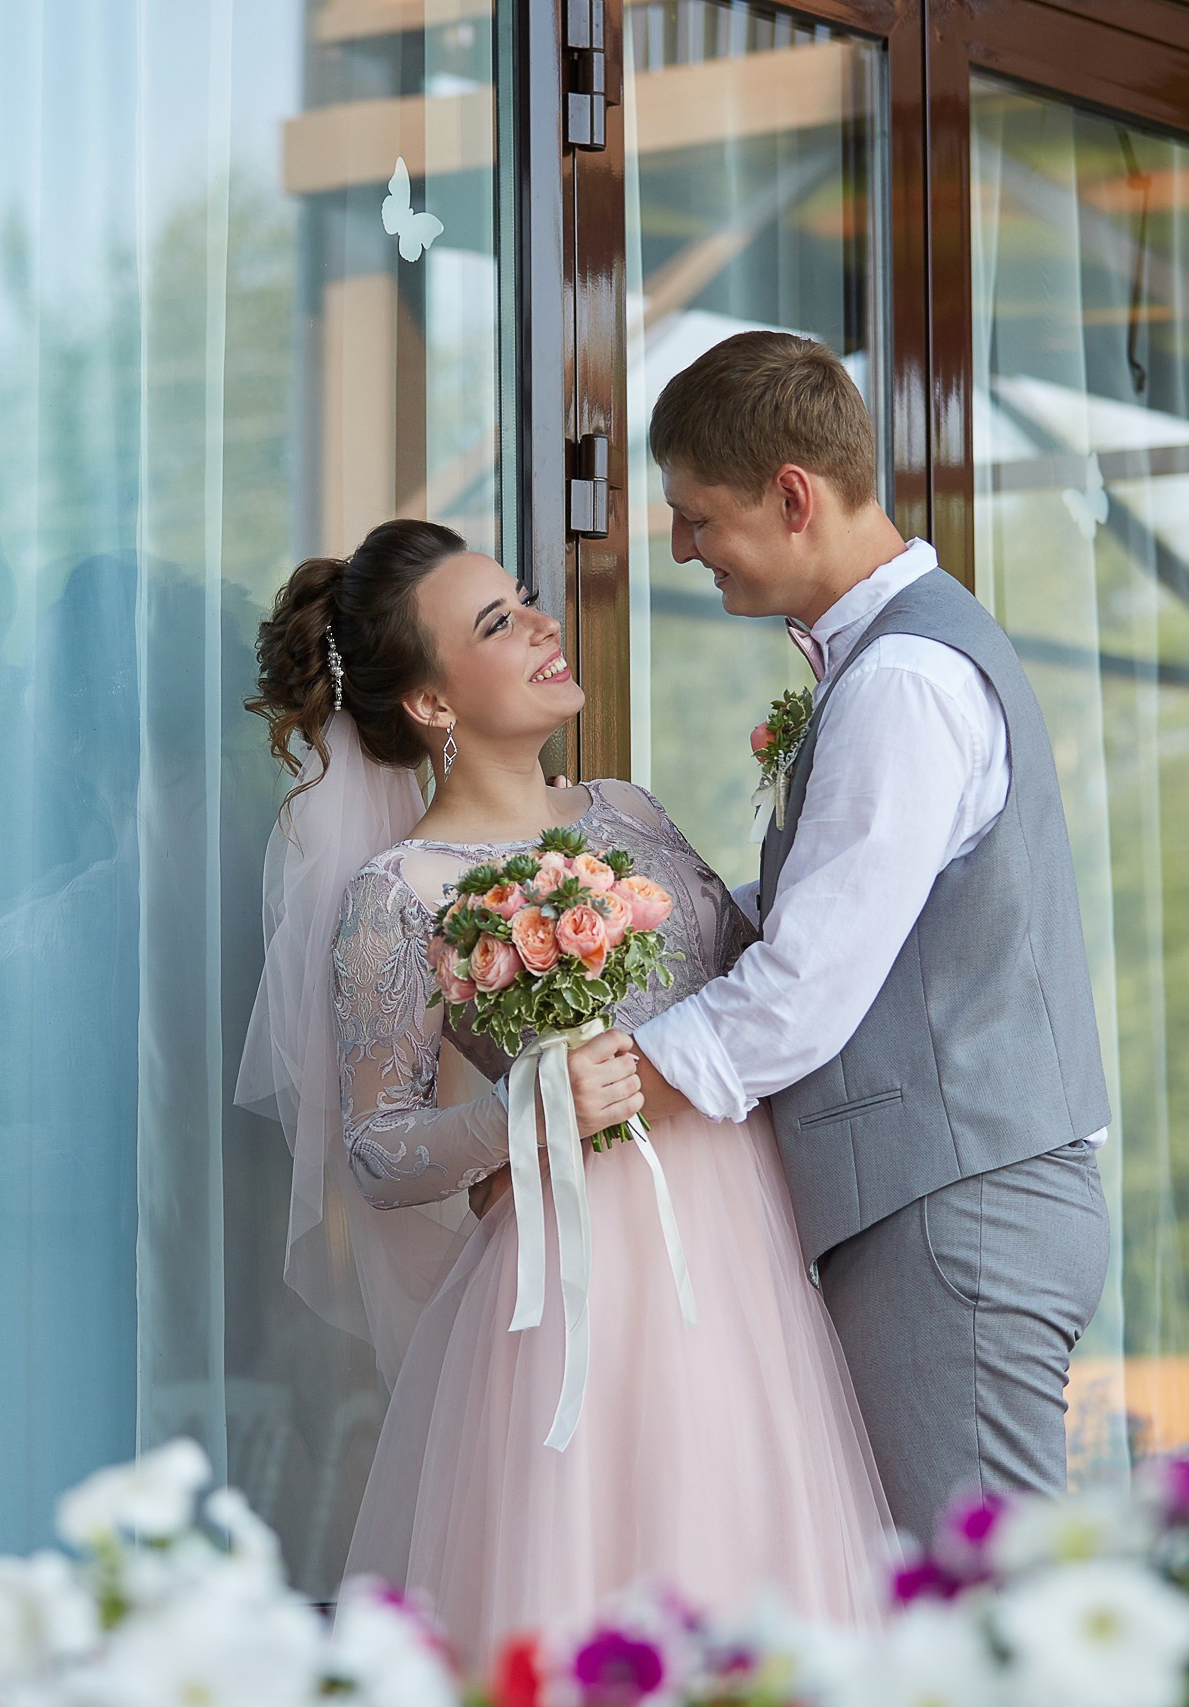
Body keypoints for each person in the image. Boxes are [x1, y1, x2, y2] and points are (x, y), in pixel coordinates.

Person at [236, 517, 890, 1662]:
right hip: (577, 1290)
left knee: (760, 1576)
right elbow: (378, 1151)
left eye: (526, 598)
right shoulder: (400, 893)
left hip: (747, 1262)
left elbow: (756, 981)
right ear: (431, 702)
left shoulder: (628, 810)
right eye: (498, 623)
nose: (543, 625)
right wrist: (523, 1113)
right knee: (596, 1589)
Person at [600, 330, 1114, 1546]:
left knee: (985, 1603)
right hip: (951, 1202)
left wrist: (598, 1093)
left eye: (696, 516)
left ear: (793, 497)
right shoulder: (894, 658)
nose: (679, 548)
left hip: (954, 1211)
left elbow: (803, 990)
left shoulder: (902, 683)